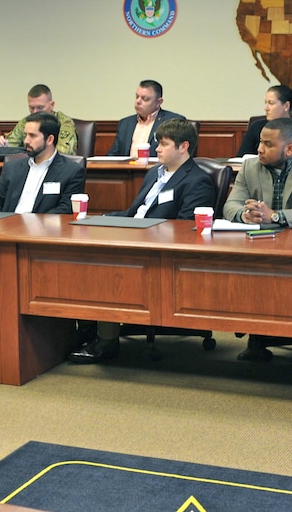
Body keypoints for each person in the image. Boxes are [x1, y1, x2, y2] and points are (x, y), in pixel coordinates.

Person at [69, 118, 215, 364]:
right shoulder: (153, 174)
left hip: (157, 251)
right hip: (133, 233)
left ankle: (106, 340)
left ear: (183, 147)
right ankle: (84, 329)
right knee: (81, 250)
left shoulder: (197, 181)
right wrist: (102, 219)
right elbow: (134, 213)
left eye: (163, 144)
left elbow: (185, 229)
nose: (156, 148)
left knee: (106, 264)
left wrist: (135, 231)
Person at [223, 117, 292, 376]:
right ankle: (259, 338)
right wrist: (244, 215)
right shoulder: (250, 166)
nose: (259, 149)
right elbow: (230, 205)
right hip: (262, 244)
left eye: (267, 144)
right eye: (259, 142)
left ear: (290, 149)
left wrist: (275, 216)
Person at [0, 112, 86, 214]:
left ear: (50, 139)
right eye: (26, 135)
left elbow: (65, 210)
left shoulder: (71, 171)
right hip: (8, 226)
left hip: (44, 228)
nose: (26, 141)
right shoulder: (12, 167)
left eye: (32, 136)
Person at [107, 79, 186, 158]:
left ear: (159, 102)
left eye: (145, 99)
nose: (138, 101)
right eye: (137, 97)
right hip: (127, 169)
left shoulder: (173, 121)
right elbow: (113, 155)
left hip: (158, 169)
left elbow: (179, 156)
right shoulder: (125, 123)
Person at [0, 84, 77, 155]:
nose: (35, 112)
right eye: (32, 108)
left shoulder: (64, 123)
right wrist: (2, 146)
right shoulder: (25, 122)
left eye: (40, 107)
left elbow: (65, 153)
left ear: (52, 105)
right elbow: (11, 144)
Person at [235, 84, 292, 157]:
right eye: (265, 102)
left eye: (271, 103)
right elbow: (242, 157)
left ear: (286, 106)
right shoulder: (256, 127)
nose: (266, 108)